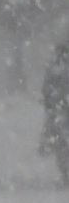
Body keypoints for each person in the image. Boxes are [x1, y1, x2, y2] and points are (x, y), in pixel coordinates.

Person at [40, 38, 69, 187]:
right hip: (60, 108)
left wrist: (49, 103)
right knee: (59, 140)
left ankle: (65, 172)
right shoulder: (54, 68)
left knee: (58, 140)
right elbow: (46, 89)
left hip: (58, 108)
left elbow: (46, 89)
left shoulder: (54, 68)